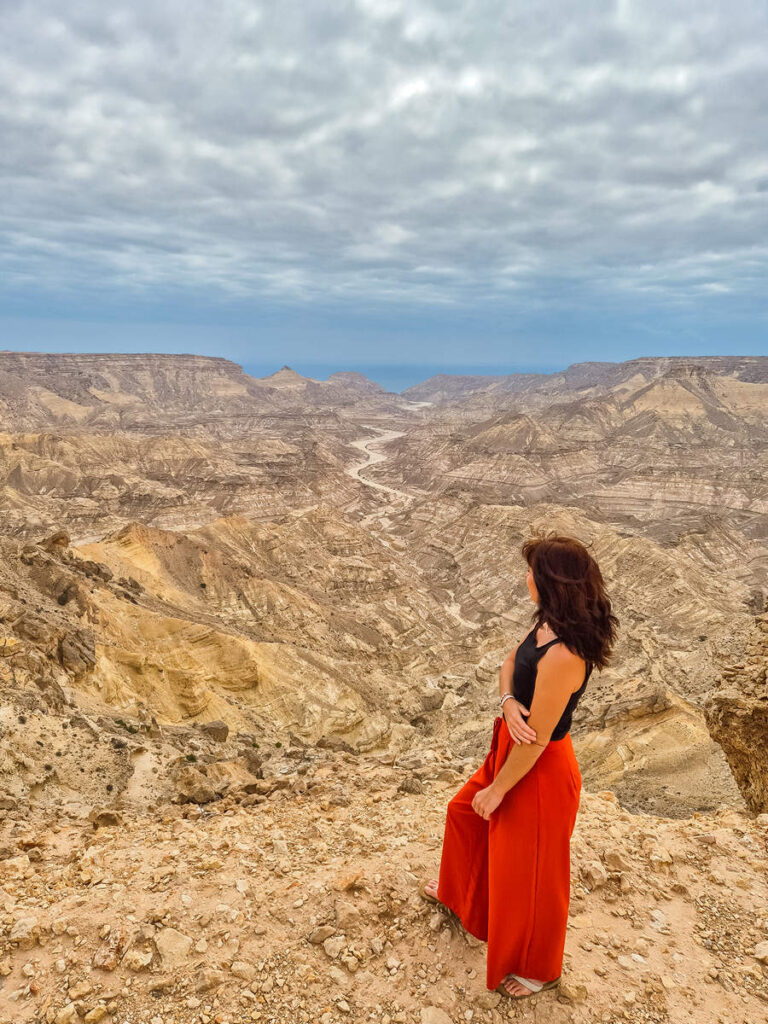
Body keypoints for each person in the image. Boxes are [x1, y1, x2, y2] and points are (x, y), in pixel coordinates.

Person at [423, 531, 618, 998]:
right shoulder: (547, 624)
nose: (524, 578)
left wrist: (499, 789)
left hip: (540, 769)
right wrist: (508, 700)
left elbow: (539, 740)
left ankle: (540, 967)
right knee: (463, 813)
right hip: (511, 750)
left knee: (533, 873)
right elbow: (510, 662)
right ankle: (461, 897)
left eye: (530, 571)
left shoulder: (567, 655)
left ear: (550, 582)